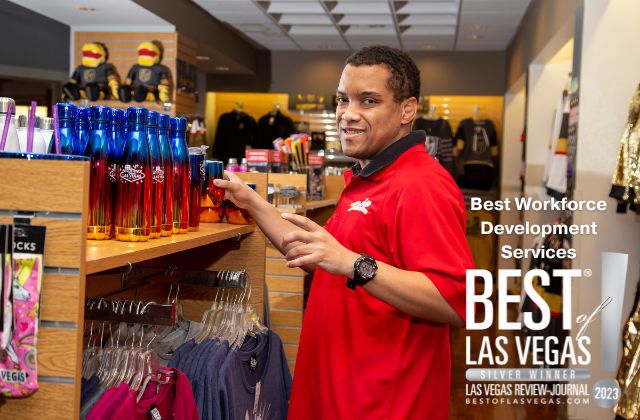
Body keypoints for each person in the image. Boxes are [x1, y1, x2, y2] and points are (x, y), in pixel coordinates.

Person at [214, 45, 474, 419]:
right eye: (342, 100)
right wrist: (251, 202)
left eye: (368, 101)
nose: (347, 115)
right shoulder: (369, 178)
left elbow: (457, 300)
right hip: (333, 394)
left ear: (407, 110)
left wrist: (355, 264)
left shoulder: (420, 183)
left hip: (382, 405)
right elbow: (318, 257)